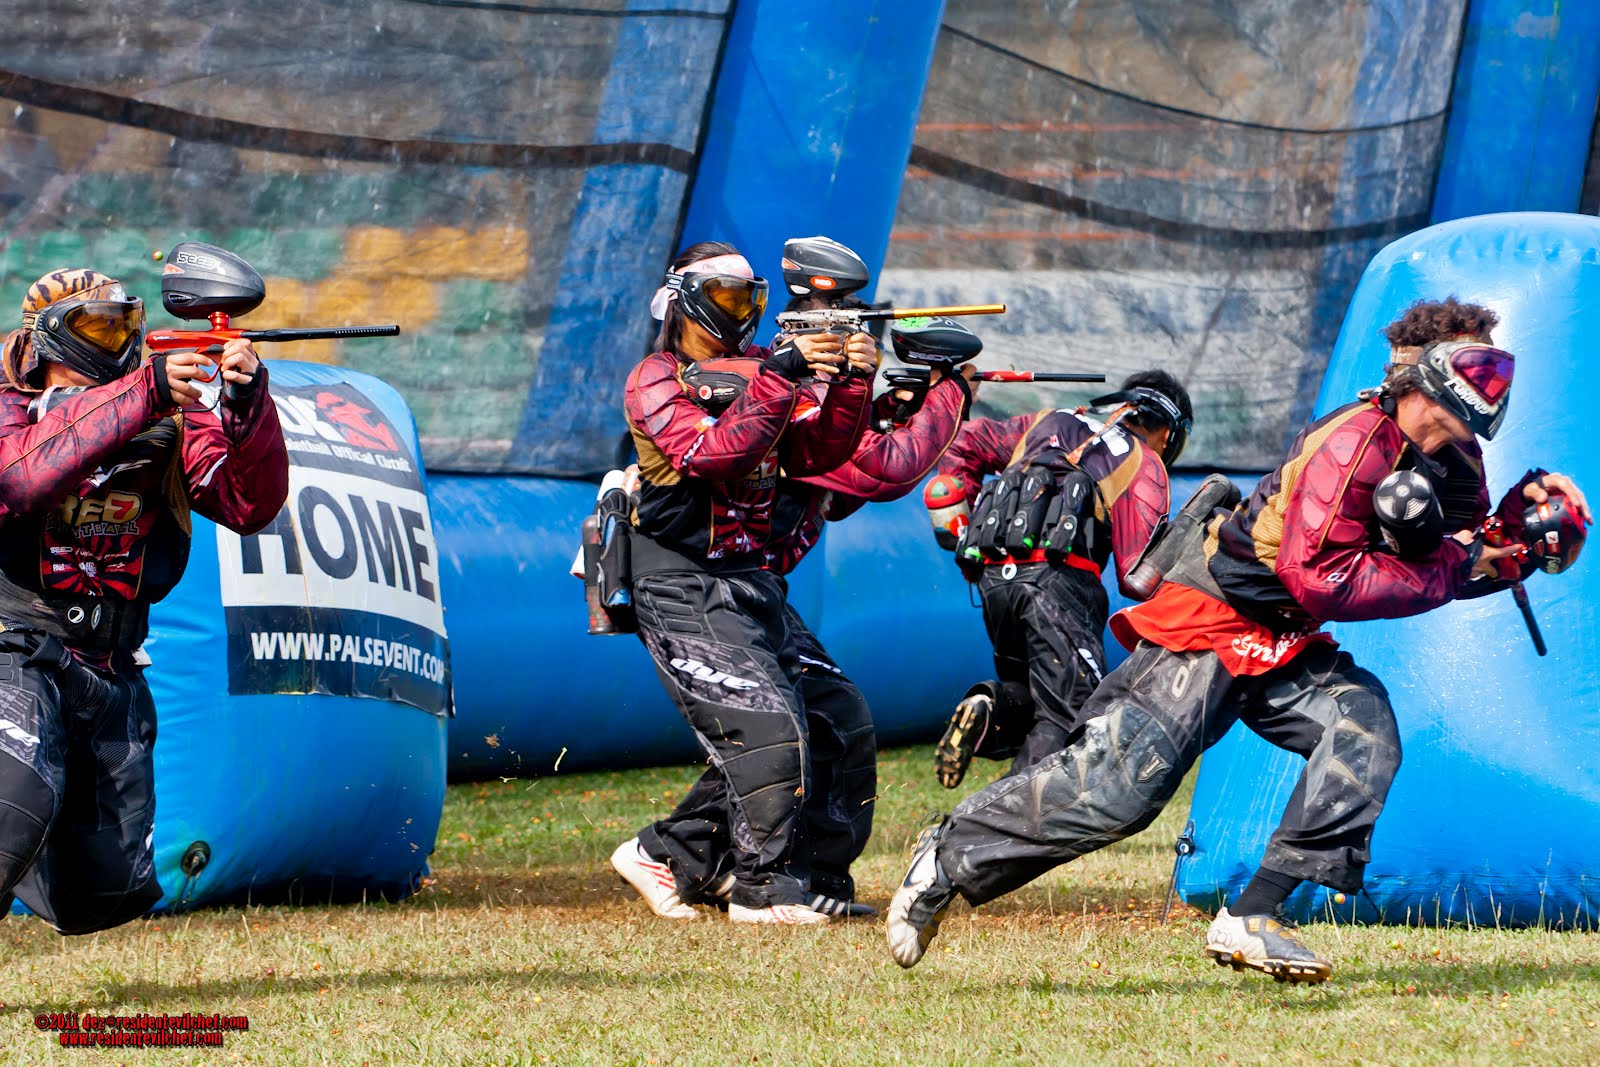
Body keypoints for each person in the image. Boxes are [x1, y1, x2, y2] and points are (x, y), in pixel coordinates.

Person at [885, 297, 1589, 982]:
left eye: (1497, 372)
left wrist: (1516, 544)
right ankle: (947, 856)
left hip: (1285, 638)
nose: (1491, 387)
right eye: (1477, 368)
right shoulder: (1353, 441)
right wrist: (1458, 561)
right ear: (1430, 371)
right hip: (1215, 615)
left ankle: (1253, 914)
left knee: (1364, 731)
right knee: (1118, 790)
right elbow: (1322, 576)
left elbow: (1447, 563)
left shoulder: (1458, 464)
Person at [0, 267, 288, 934]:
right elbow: (17, 480)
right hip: (16, 642)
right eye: (94, 325)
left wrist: (246, 411)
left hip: (111, 663)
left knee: (105, 893)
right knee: (14, 804)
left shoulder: (170, 413)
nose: (116, 339)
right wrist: (144, 392)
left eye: (124, 322)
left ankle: (38, 821)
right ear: (44, 342)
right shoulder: (11, 401)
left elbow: (247, 503)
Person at [609, 241, 878, 925]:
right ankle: (760, 885)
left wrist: (850, 382)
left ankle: (795, 872)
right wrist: (783, 375)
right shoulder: (655, 378)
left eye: (749, 298)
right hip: (677, 584)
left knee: (836, 716)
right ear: (686, 299)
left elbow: (819, 453)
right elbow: (709, 453)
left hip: (750, 582)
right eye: (727, 298)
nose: (742, 313)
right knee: (768, 724)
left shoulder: (760, 370)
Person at [925, 371, 1192, 788]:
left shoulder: (1047, 420)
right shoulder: (1142, 461)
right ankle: (998, 827)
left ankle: (990, 707)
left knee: (1033, 693)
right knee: (1070, 713)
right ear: (1168, 431)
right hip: (1062, 583)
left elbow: (968, 441)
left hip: (994, 581)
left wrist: (961, 505)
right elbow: (1138, 574)